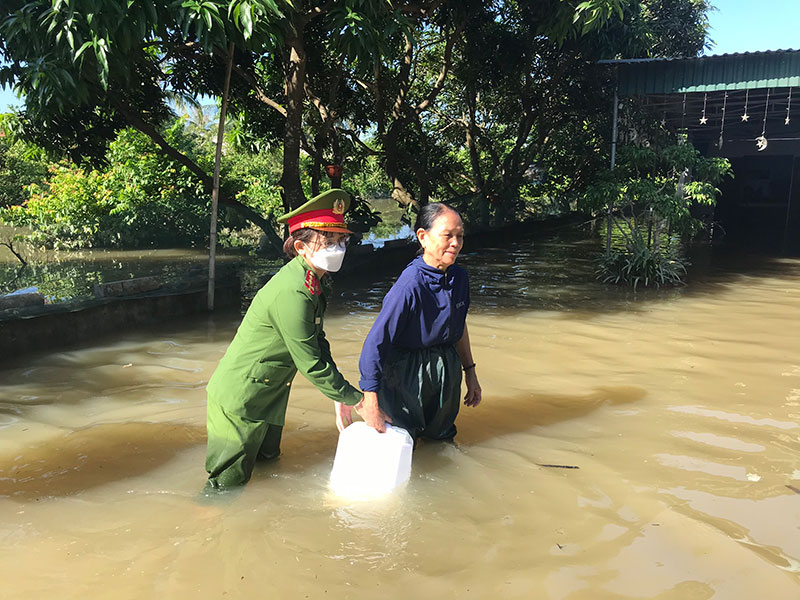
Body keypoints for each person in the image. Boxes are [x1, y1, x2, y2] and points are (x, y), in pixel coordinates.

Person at [205, 189, 386, 488]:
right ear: (301, 247)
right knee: (226, 486)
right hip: (242, 400)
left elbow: (318, 340)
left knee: (269, 468)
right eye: (328, 242)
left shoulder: (315, 282)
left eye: (342, 240)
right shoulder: (294, 292)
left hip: (270, 393)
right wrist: (358, 402)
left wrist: (339, 397)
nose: (338, 248)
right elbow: (311, 362)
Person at [349, 203, 482, 442]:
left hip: (447, 369)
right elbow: (376, 342)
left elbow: (459, 325)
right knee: (401, 440)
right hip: (407, 373)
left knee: (441, 440)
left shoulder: (459, 278)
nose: (456, 243)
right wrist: (370, 400)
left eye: (460, 236)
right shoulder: (410, 285)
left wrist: (470, 372)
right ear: (423, 237)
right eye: (447, 236)